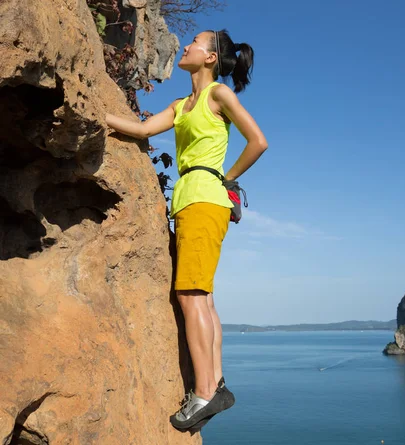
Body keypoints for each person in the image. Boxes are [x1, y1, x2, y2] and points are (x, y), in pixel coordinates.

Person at [105, 29, 268, 431]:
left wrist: (224, 178)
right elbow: (142, 130)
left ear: (211, 58)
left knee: (190, 294)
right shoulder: (182, 105)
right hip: (190, 202)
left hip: (204, 199)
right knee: (204, 296)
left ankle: (205, 392)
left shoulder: (219, 95)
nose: (186, 47)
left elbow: (258, 142)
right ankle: (219, 382)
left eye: (196, 42)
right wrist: (96, 114)